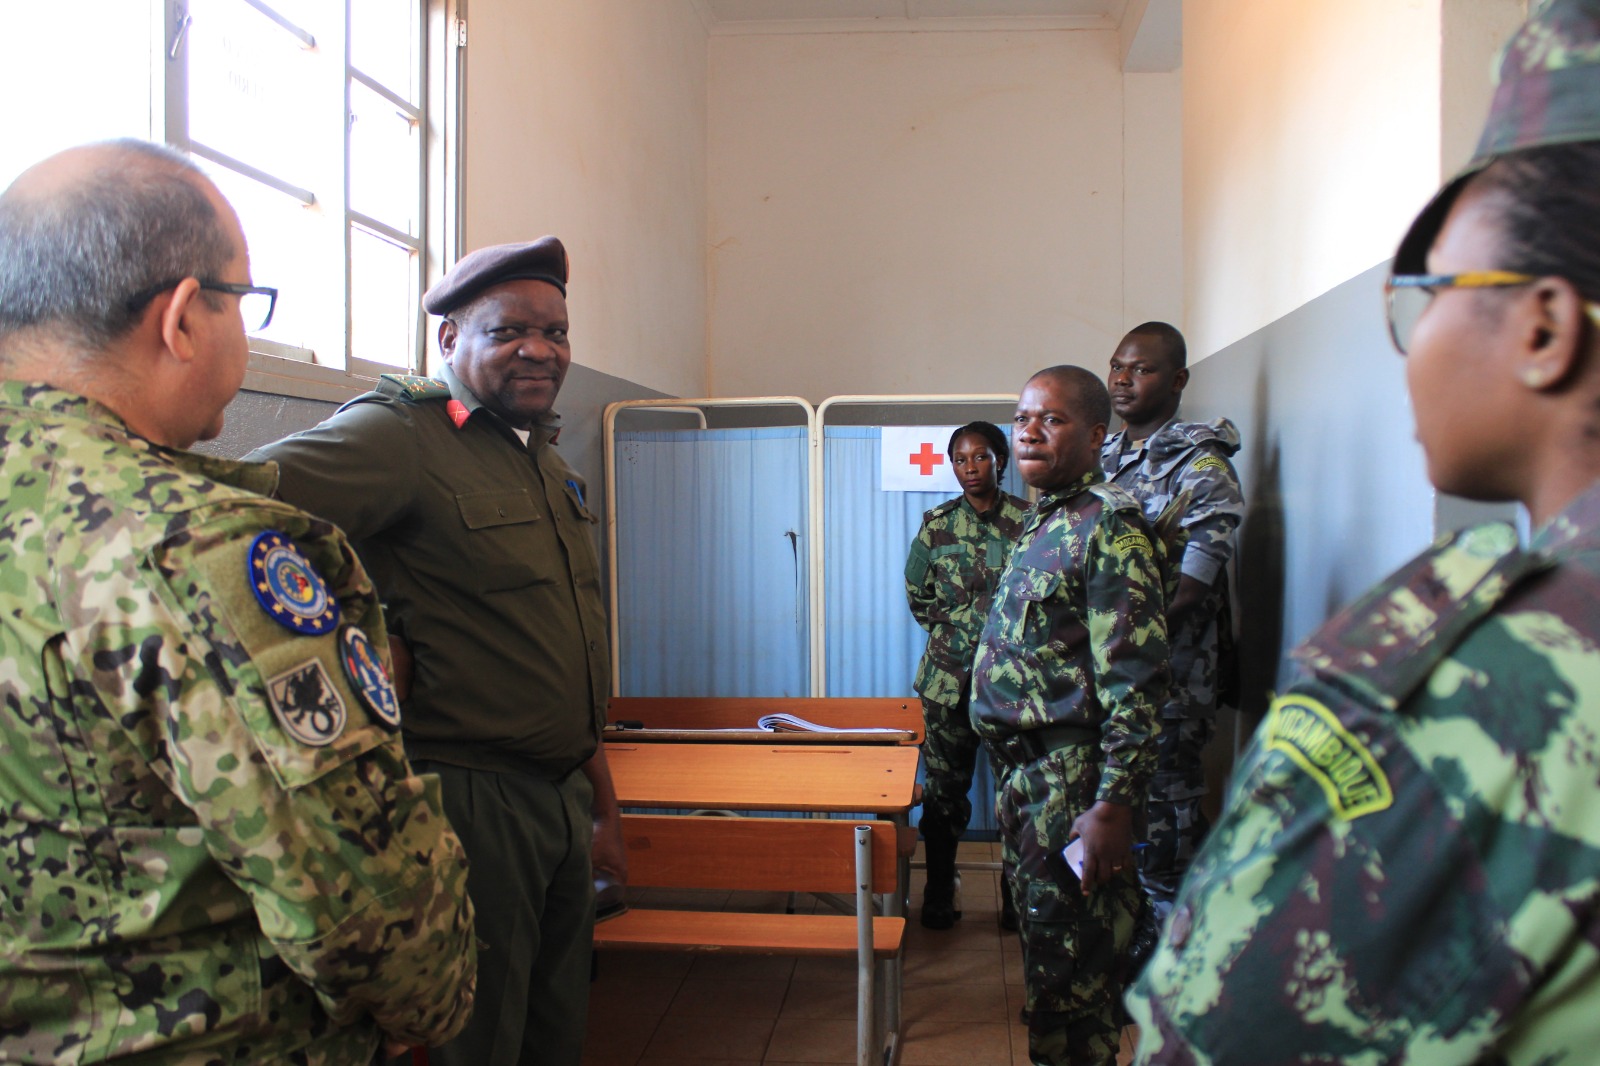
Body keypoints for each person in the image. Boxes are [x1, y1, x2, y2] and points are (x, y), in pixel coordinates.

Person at [1128, 2, 1600, 1062]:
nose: (1410, 344)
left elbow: (1204, 1037)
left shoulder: (1475, 686)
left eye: (1425, 297)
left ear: (1543, 328)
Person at [0, 140, 475, 1064]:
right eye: (243, 302)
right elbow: (368, 911)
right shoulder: (195, 550)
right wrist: (435, 998)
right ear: (183, 317)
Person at [250, 237, 625, 1066]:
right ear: (450, 339)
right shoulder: (401, 436)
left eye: (556, 332)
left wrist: (602, 810)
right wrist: (356, 653)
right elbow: (233, 518)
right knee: (476, 1044)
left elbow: (563, 656)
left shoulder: (542, 458)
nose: (540, 350)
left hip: (561, 794)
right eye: (509, 331)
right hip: (472, 801)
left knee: (554, 1036)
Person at [970, 366, 1169, 1066]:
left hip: (1072, 784)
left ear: (1095, 435)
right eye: (1022, 417)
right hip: (1027, 779)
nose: (1029, 431)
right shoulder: (1049, 520)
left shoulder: (1108, 527)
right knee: (1051, 962)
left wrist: (1113, 805)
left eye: (1050, 419)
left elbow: (1136, 682)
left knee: (1075, 975)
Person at [1100, 322, 1244, 924]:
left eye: (1142, 369)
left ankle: (1177, 942)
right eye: (1117, 366)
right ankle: (1138, 929)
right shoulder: (1104, 458)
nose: (1123, 379)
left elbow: (1191, 589)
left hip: (1170, 681)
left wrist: (1114, 637)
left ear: (1178, 379)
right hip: (1109, 678)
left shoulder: (1201, 466)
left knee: (1168, 817)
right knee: (1119, 810)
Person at [905, 420, 1030, 930]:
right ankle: (939, 889)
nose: (970, 467)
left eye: (980, 457)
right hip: (947, 683)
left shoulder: (1030, 522)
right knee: (942, 793)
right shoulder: (937, 526)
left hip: (1013, 685)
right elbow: (918, 597)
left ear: (1001, 460)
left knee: (1018, 794)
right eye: (960, 459)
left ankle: (1016, 897)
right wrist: (959, 634)